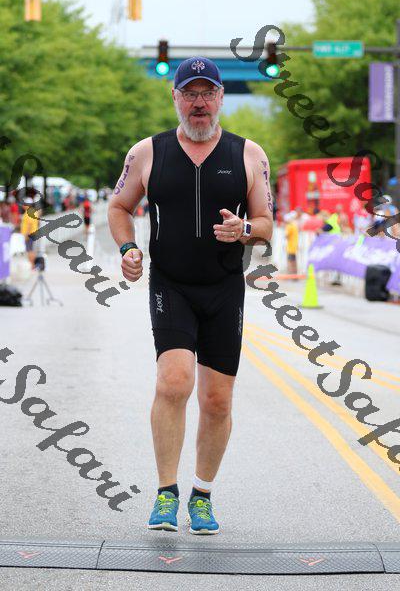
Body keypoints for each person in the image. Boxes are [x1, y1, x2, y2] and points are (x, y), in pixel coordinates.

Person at [108, 56, 273, 535]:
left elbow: (266, 222)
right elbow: (119, 206)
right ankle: (166, 492)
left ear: (220, 97)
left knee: (217, 400)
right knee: (173, 382)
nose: (199, 103)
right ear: (175, 97)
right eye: (190, 93)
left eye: (207, 93)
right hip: (172, 284)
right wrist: (128, 248)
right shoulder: (147, 152)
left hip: (224, 288)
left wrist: (245, 230)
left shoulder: (249, 154)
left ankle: (202, 494)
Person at [20, 197, 39, 268]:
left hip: (29, 234)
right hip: (33, 233)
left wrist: (26, 235)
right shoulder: (33, 211)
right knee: (31, 249)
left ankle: (32, 265)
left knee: (29, 250)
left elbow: (29, 225)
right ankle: (33, 265)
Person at [284, 211, 299, 275]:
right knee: (294, 260)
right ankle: (295, 273)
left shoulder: (289, 226)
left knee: (290, 260)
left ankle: (290, 274)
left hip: (290, 246)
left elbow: (286, 235)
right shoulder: (295, 225)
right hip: (294, 245)